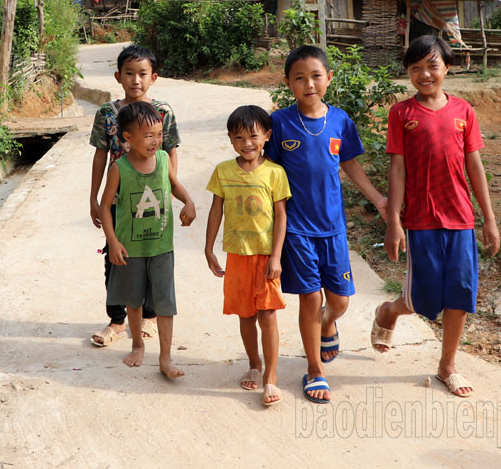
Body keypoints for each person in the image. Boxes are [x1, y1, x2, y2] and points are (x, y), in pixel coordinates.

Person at [372, 35, 500, 398]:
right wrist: (394, 222)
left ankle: (447, 366)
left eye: (432, 65)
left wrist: (488, 219)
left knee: (459, 295)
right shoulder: (402, 114)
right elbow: (397, 169)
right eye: (415, 68)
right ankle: (389, 311)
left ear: (447, 67)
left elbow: (475, 166)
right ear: (409, 74)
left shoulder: (464, 112)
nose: (424, 74)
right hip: (420, 220)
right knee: (423, 299)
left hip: (460, 218)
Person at [265, 45, 389, 404]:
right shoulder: (280, 122)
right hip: (297, 230)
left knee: (339, 301)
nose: (309, 84)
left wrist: (378, 199)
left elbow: (349, 165)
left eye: (316, 76)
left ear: (329, 78)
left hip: (332, 228)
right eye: (299, 78)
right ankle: (315, 370)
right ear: (288, 83)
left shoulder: (340, 121)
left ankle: (328, 323)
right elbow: (269, 173)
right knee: (309, 299)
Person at [88, 45, 180, 348]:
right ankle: (116, 320)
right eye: (129, 73)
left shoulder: (163, 112)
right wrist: (94, 197)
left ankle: (150, 317)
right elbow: (101, 156)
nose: (135, 80)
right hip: (118, 203)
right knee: (115, 259)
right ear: (118, 76)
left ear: (153, 77)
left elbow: (171, 152)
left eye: (142, 74)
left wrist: (170, 191)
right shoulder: (107, 114)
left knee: (154, 257)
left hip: (152, 202)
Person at [99, 101, 196, 379]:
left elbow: (174, 184)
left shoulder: (164, 159)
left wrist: (188, 201)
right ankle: (137, 344)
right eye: (148, 135)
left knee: (165, 303)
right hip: (131, 249)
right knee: (134, 301)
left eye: (158, 134)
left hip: (162, 247)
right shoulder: (119, 168)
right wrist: (113, 241)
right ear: (127, 138)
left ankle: (165, 358)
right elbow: (106, 206)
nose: (155, 141)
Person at [204, 105, 291, 406]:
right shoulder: (223, 171)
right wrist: (208, 247)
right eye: (239, 137)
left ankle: (271, 377)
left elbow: (281, 217)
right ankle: (254, 364)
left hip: (266, 256)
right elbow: (216, 210)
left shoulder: (275, 173)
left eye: (253, 136)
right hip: (237, 255)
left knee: (267, 315)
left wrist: (277, 257)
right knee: (245, 315)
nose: (247, 143)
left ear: (266, 136)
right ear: (230, 139)